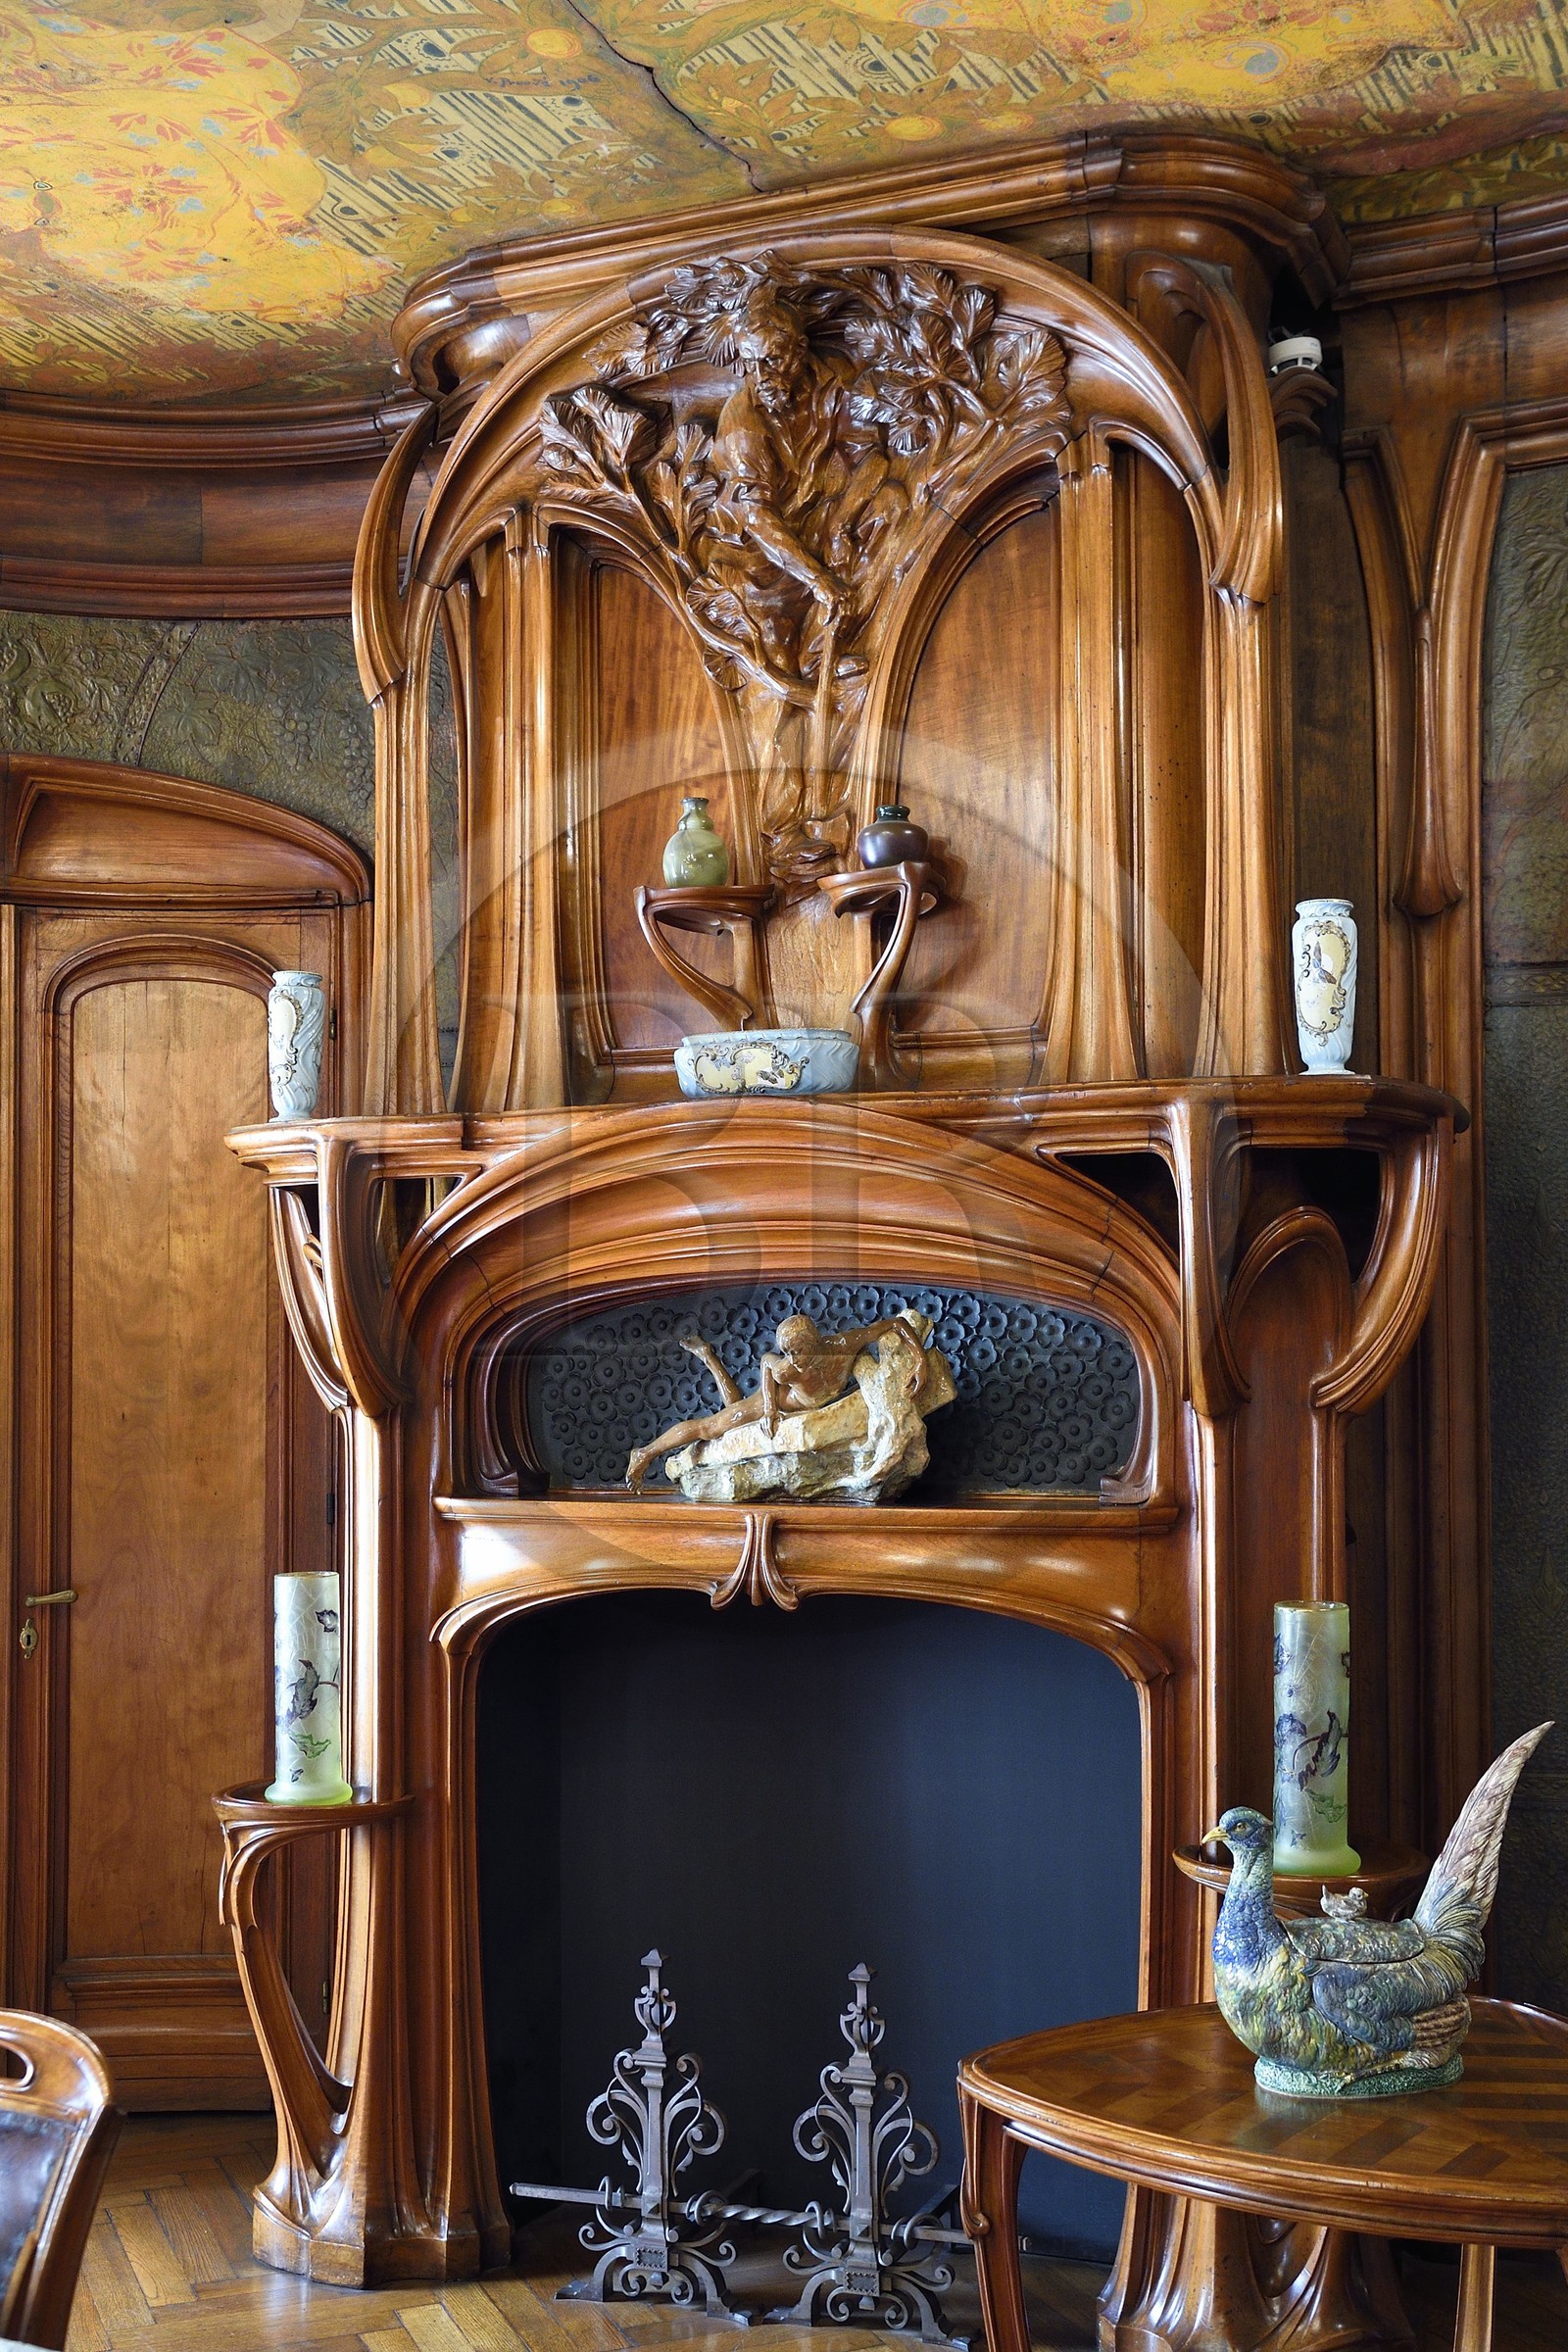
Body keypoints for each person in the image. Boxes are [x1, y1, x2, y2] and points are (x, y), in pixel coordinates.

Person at [625, 1309, 920, 1492]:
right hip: (784, 1401)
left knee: (732, 1413)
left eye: (797, 1350)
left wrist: (920, 1361)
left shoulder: (845, 1344)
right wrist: (770, 1408)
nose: (792, 1359)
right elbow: (768, 1361)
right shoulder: (787, 1368)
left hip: (804, 1399)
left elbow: (896, 1324)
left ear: (815, 1342)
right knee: (713, 1429)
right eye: (788, 1352)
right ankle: (645, 1453)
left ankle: (708, 1356)